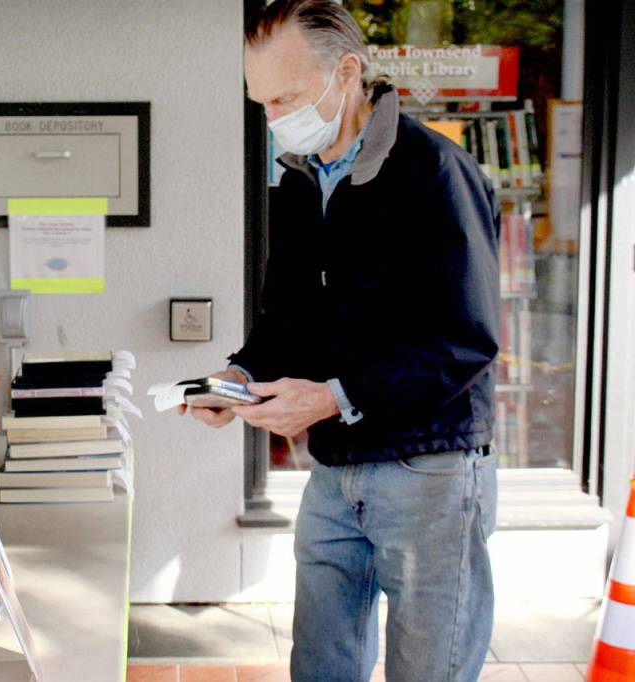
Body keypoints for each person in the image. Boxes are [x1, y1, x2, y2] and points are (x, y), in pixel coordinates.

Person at [180, 1, 501, 680]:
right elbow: (288, 315)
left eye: (287, 97)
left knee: (428, 669)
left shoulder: (437, 172)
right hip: (334, 470)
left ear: (348, 72)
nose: (273, 119)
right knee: (321, 663)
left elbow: (466, 341)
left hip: (430, 468)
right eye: (261, 102)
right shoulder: (301, 180)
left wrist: (332, 397)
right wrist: (239, 376)